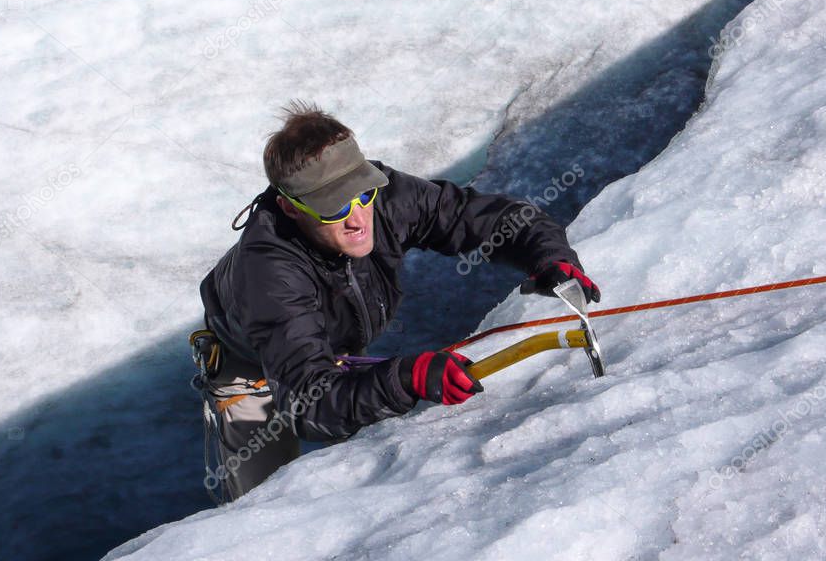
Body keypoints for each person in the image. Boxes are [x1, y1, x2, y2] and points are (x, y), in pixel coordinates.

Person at [196, 102, 600, 501]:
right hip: (254, 373)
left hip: (332, 348)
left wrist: (549, 257)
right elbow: (307, 403)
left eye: (361, 193)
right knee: (263, 511)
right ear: (289, 207)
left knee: (362, 478)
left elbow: (481, 219)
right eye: (334, 206)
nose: (357, 217)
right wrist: (406, 378)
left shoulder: (385, 197)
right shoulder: (269, 273)